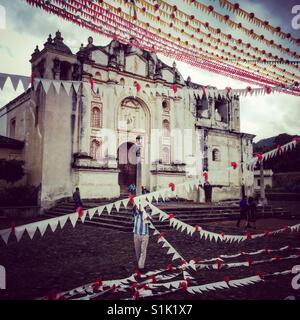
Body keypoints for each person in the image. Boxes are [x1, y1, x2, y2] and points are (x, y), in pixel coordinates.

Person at [132, 204, 151, 272]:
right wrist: (136, 201)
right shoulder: (135, 213)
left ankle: (141, 266)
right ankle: (139, 264)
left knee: (143, 251)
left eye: (142, 207)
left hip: (144, 234)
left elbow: (149, 219)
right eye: (139, 207)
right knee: (137, 251)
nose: (139, 208)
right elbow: (133, 209)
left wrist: (144, 213)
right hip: (136, 234)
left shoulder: (147, 214)